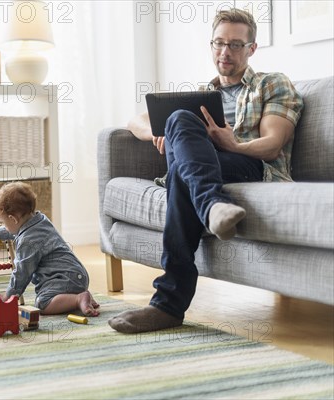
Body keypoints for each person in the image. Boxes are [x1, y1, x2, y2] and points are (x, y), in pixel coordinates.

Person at [108, 9, 303, 334]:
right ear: (211, 44)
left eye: (236, 45)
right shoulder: (200, 93)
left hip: (248, 165)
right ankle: (211, 204)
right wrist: (160, 133)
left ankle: (168, 304)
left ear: (252, 48)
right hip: (205, 167)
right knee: (178, 123)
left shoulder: (271, 84)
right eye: (219, 43)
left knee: (180, 172)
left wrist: (234, 144)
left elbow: (271, 145)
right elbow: (134, 120)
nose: (225, 52)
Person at [0, 182, 100, 316]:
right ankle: (79, 294)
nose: (3, 226)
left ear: (13, 219)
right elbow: (17, 230)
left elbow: (22, 272)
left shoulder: (27, 242)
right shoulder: (40, 220)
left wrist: (9, 295)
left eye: (2, 223)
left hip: (62, 279)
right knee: (52, 291)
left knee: (42, 303)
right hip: (76, 274)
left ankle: (78, 299)